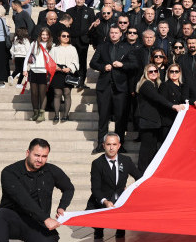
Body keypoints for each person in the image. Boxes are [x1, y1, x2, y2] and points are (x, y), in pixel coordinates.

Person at [0, 139, 74, 242]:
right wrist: (46, 218)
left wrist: (62, 207)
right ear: (28, 153)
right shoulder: (10, 172)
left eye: (44, 156)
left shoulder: (51, 171)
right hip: (12, 220)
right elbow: (23, 199)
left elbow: (69, 188)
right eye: (36, 155)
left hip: (36, 222)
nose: (40, 160)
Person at [89, 25, 137, 153]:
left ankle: (120, 145)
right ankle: (101, 144)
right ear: (109, 33)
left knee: (121, 118)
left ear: (121, 34)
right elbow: (93, 63)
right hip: (104, 86)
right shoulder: (102, 46)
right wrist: (103, 67)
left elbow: (134, 65)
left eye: (116, 33)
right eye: (112, 32)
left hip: (121, 87)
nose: (114, 35)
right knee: (103, 116)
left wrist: (123, 65)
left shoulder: (127, 47)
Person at [86, 133, 142, 240]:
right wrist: (105, 201)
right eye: (108, 144)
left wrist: (130, 191)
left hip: (120, 199)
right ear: (103, 146)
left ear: (119, 145)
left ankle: (120, 230)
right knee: (98, 236)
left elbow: (139, 178)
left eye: (114, 144)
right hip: (103, 199)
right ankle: (98, 231)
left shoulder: (126, 161)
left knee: (121, 237)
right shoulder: (97, 163)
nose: (111, 148)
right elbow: (95, 188)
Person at [135, 64, 186, 172]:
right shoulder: (146, 84)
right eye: (150, 71)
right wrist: (173, 105)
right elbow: (158, 98)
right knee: (146, 150)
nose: (153, 73)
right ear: (146, 73)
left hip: (153, 122)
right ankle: (141, 173)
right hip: (147, 121)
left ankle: (147, 172)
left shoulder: (154, 84)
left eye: (155, 71)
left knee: (152, 149)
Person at [23, 28, 54, 122]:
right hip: (33, 70)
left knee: (42, 93)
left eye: (46, 35)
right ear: (40, 35)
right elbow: (27, 56)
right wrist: (25, 69)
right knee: (34, 93)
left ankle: (42, 113)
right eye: (43, 34)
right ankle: (35, 113)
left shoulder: (52, 45)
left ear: (49, 36)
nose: (45, 36)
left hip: (44, 72)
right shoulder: (34, 44)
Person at [48, 30, 78, 122]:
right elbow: (49, 60)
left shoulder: (72, 48)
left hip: (68, 72)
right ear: (59, 37)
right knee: (57, 94)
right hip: (57, 72)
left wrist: (70, 68)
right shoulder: (54, 49)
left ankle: (65, 115)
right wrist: (54, 67)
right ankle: (56, 115)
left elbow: (76, 61)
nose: (66, 38)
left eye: (67, 36)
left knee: (67, 93)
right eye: (64, 36)